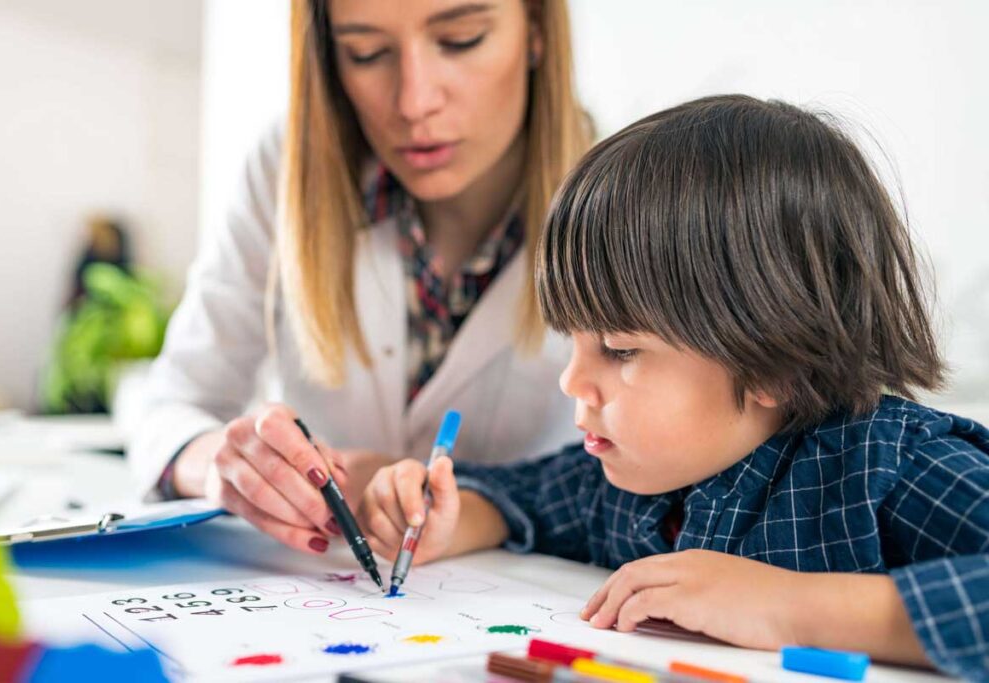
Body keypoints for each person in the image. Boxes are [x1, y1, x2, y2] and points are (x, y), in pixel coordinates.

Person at [358, 95, 989, 679]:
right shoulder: (635, 474)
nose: (572, 380)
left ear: (772, 362)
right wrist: (448, 517)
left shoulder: (891, 466)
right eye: (572, 342)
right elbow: (523, 497)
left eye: (621, 349)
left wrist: (789, 606)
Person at [126, 0, 591, 557]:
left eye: (462, 39)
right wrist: (221, 466)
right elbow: (171, 407)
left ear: (536, 30)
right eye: (365, 52)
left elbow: (667, 488)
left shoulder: (632, 201)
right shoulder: (285, 170)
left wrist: (468, 500)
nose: (414, 102)